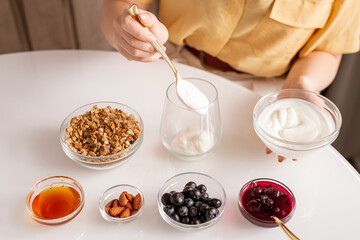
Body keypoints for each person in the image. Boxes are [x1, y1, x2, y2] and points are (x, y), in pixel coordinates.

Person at [100, 0, 360, 94]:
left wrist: (302, 85)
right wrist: (125, 29)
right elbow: (120, 4)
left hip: (266, 90)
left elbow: (328, 48)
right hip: (173, 62)